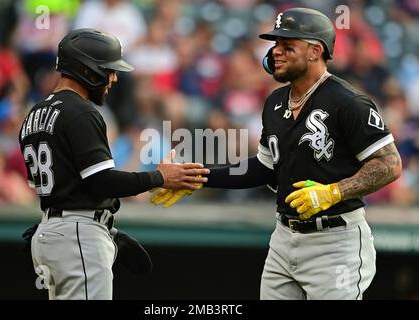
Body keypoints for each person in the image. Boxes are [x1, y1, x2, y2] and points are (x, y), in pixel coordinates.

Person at [151, 8, 402, 300]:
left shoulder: (348, 101)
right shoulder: (275, 102)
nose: (276, 53)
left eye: (287, 46)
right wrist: (198, 177)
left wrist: (333, 192)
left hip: (335, 241)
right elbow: (264, 167)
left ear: (314, 51)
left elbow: (390, 164)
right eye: (276, 46)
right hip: (283, 238)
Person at [18, 28, 209, 300]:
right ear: (87, 70)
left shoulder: (34, 114)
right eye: (108, 70)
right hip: (77, 236)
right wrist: (159, 177)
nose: (114, 78)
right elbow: (102, 181)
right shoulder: (81, 111)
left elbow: (44, 186)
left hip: (50, 234)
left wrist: (104, 228)